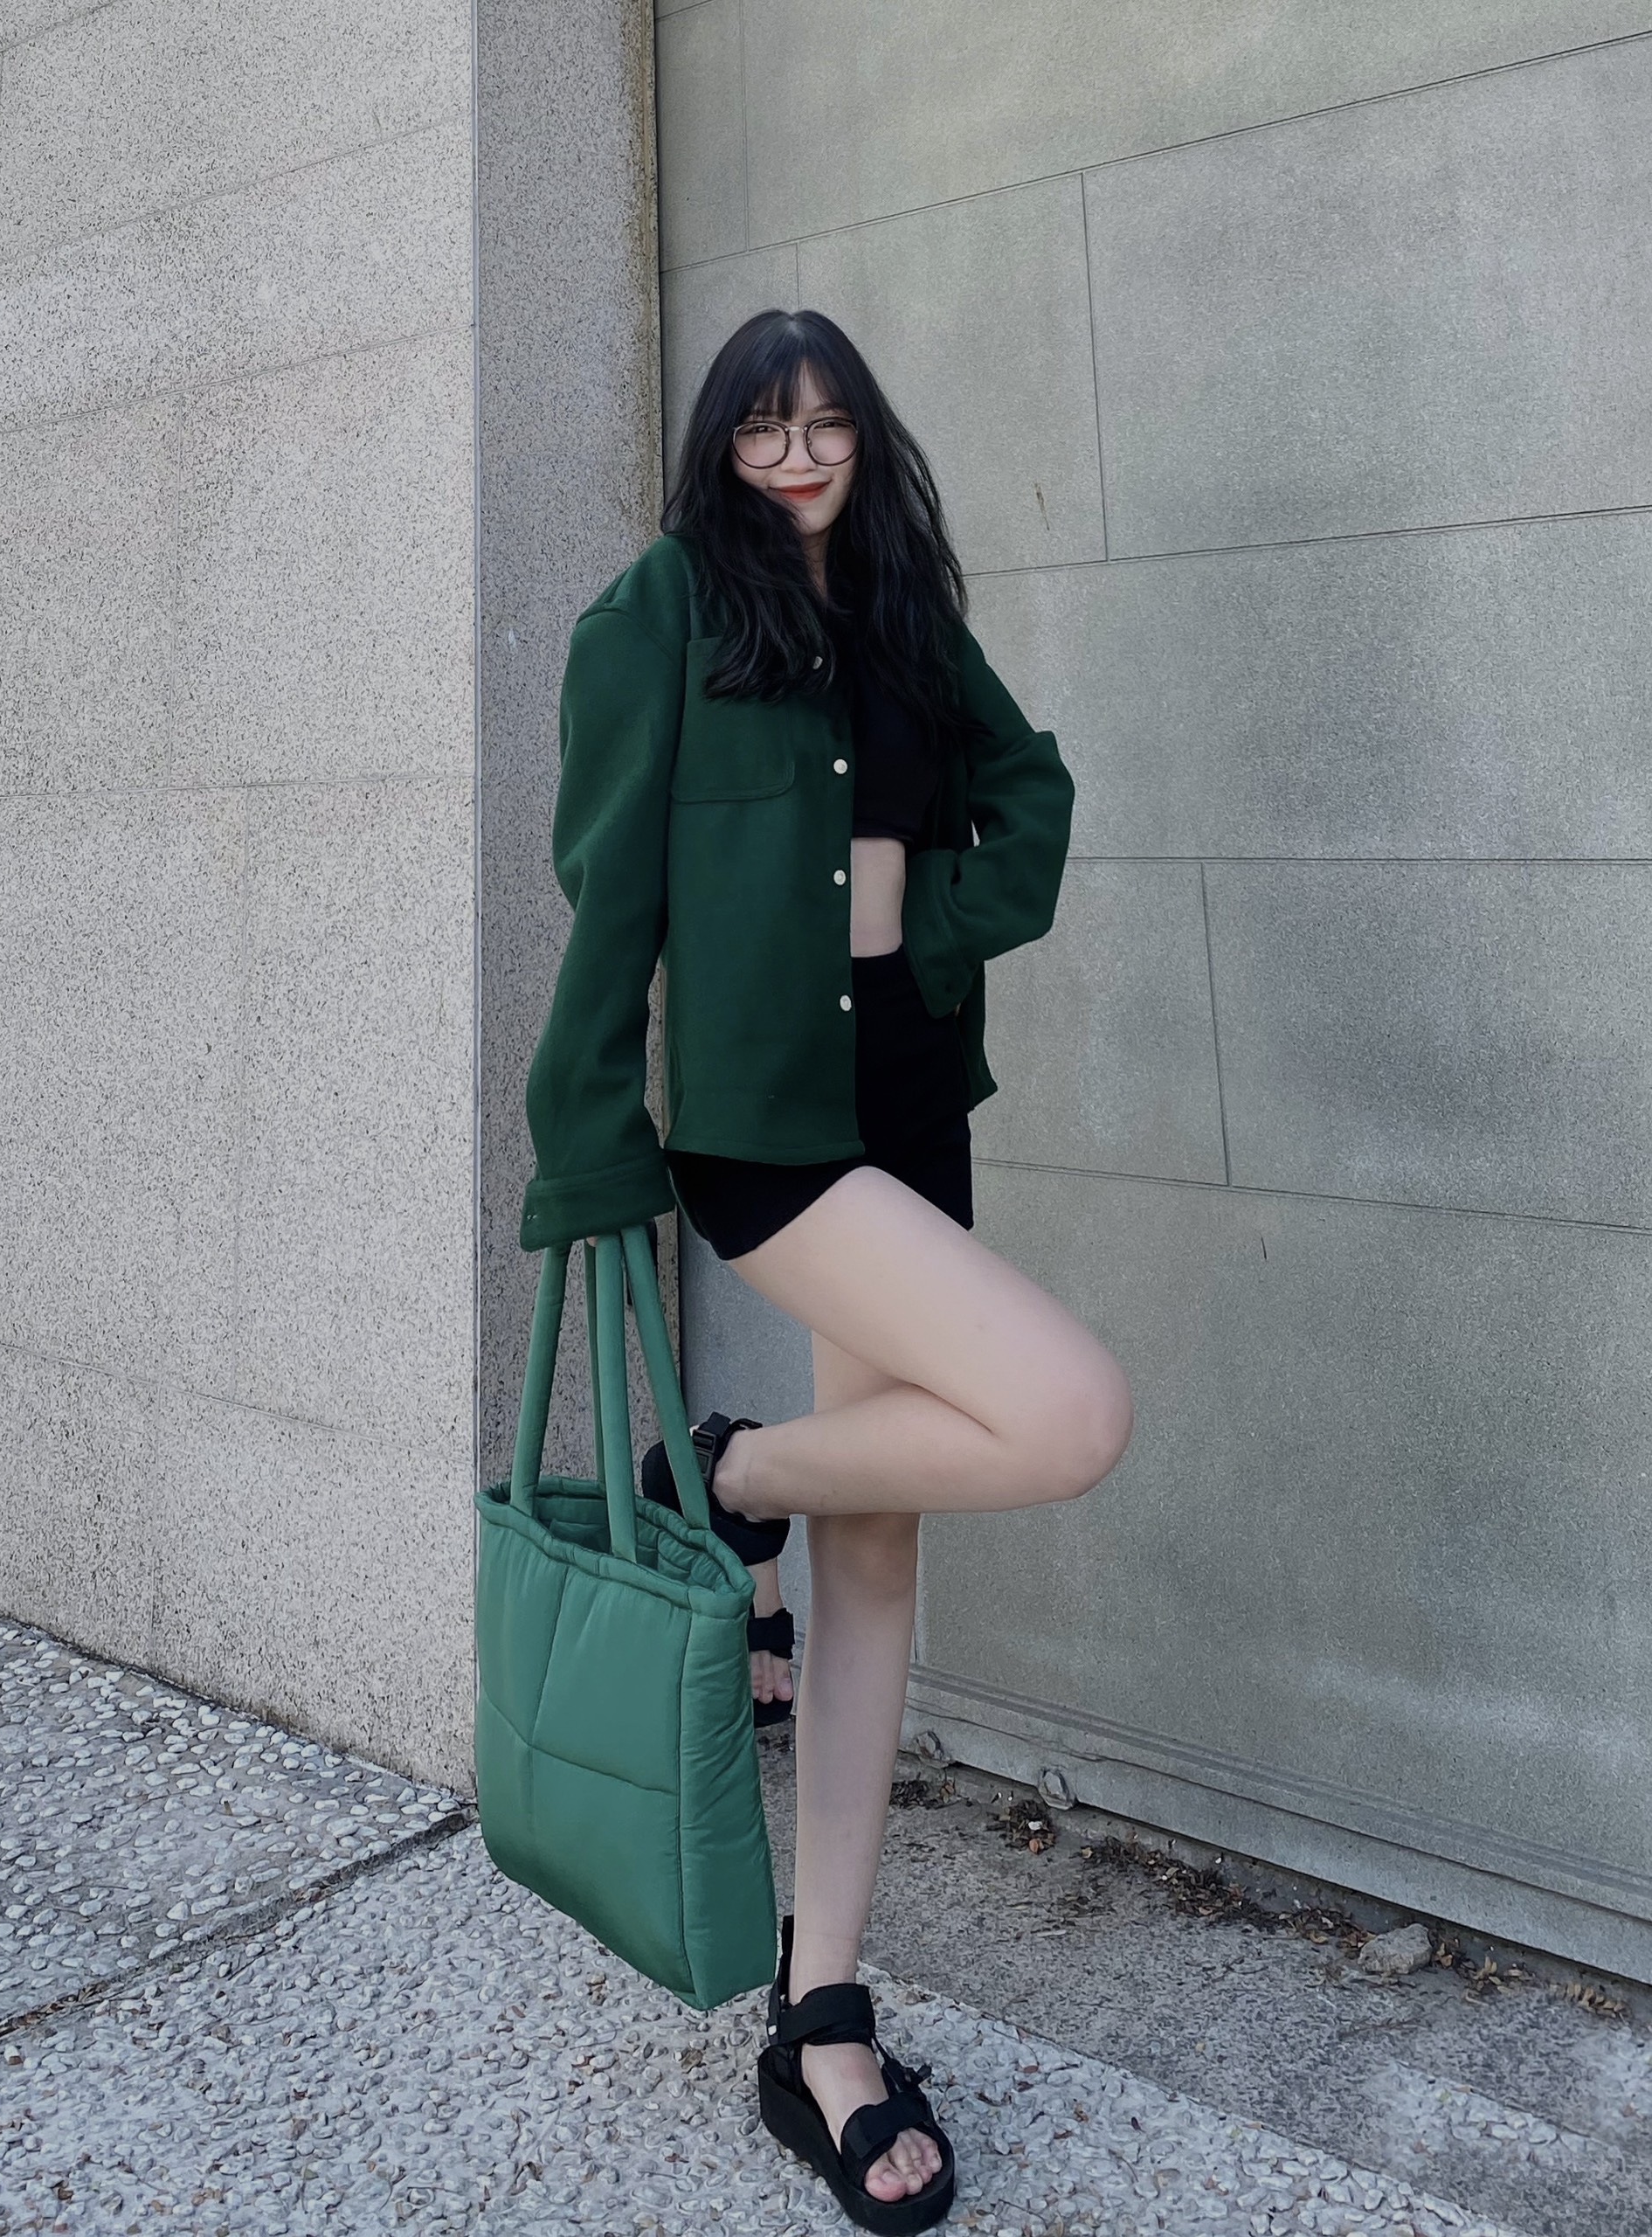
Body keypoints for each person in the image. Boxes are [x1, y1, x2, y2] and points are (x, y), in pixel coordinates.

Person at [519, 308, 1134, 2233]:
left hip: (911, 1106)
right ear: (721, 444)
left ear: (868, 434)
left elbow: (1032, 799)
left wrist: (920, 919)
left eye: (828, 425)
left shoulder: (901, 605)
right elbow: (607, 899)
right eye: (764, 430)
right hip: (774, 1132)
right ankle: (736, 1473)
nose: (798, 457)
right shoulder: (658, 615)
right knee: (1067, 1413)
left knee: (876, 1549)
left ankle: (824, 2015)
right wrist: (586, 1145)